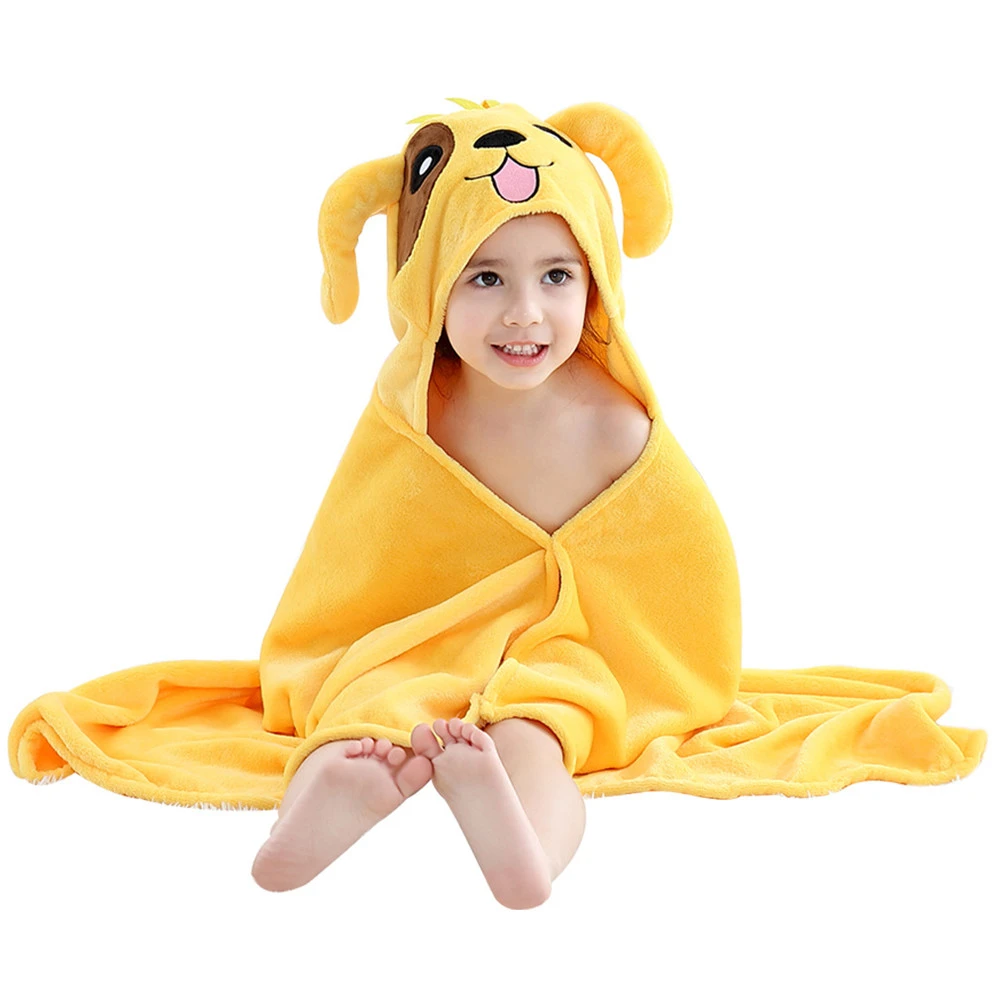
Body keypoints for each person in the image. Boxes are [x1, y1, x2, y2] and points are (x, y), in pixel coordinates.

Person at [251, 210, 652, 908]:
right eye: (486, 279)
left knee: (540, 726)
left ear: (596, 285)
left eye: (557, 276)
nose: (524, 313)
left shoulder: (615, 425)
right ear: (428, 284)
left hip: (560, 644)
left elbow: (670, 572)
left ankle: (530, 850)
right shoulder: (415, 409)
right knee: (362, 700)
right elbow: (360, 548)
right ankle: (323, 802)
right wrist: (354, 647)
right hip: (423, 632)